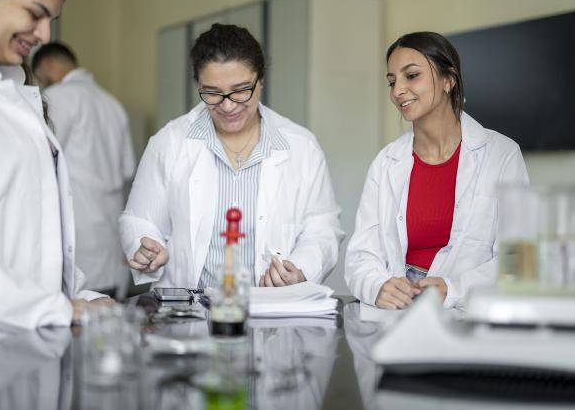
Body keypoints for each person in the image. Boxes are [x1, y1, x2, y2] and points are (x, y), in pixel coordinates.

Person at [120, 23, 344, 289]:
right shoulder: (170, 142)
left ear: (261, 80)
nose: (227, 105)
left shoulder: (301, 146)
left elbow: (322, 227)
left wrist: (300, 269)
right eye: (212, 93)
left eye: (240, 90)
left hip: (272, 312)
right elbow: (139, 219)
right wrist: (145, 245)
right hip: (190, 314)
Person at [345, 32, 529, 310]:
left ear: (448, 79)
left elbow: (517, 258)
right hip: (398, 309)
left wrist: (452, 290)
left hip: (468, 311)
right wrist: (378, 286)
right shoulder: (387, 162)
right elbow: (361, 256)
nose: (397, 91)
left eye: (412, 75)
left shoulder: (501, 154)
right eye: (392, 82)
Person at [0, 0, 112, 329]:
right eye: (35, 13)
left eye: (51, 21)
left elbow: (34, 228)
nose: (45, 35)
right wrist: (59, 309)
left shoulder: (18, 95)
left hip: (31, 338)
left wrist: (80, 295)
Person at [31, 42, 136, 297]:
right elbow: (128, 168)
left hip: (78, 230)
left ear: (48, 65)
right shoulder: (112, 103)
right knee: (107, 316)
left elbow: (40, 161)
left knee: (78, 317)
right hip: (111, 234)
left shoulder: (56, 97)